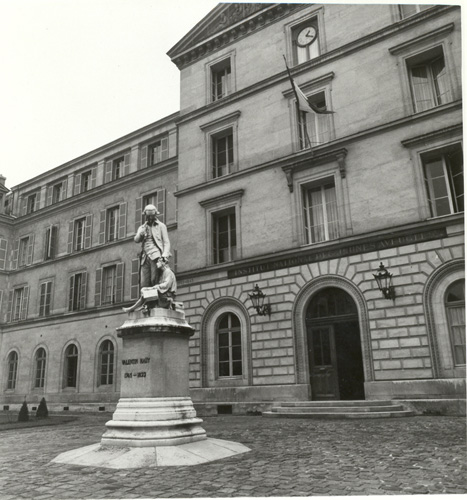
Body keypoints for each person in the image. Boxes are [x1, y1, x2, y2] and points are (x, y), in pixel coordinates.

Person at [135, 204, 171, 288]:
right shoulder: (142, 227)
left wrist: (165, 255)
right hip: (145, 257)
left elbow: (166, 242)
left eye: (152, 216)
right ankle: (147, 300)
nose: (150, 218)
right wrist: (141, 234)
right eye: (148, 216)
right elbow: (136, 239)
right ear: (146, 216)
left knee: (154, 280)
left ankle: (155, 299)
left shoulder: (161, 226)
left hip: (156, 256)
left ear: (155, 215)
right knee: (144, 283)